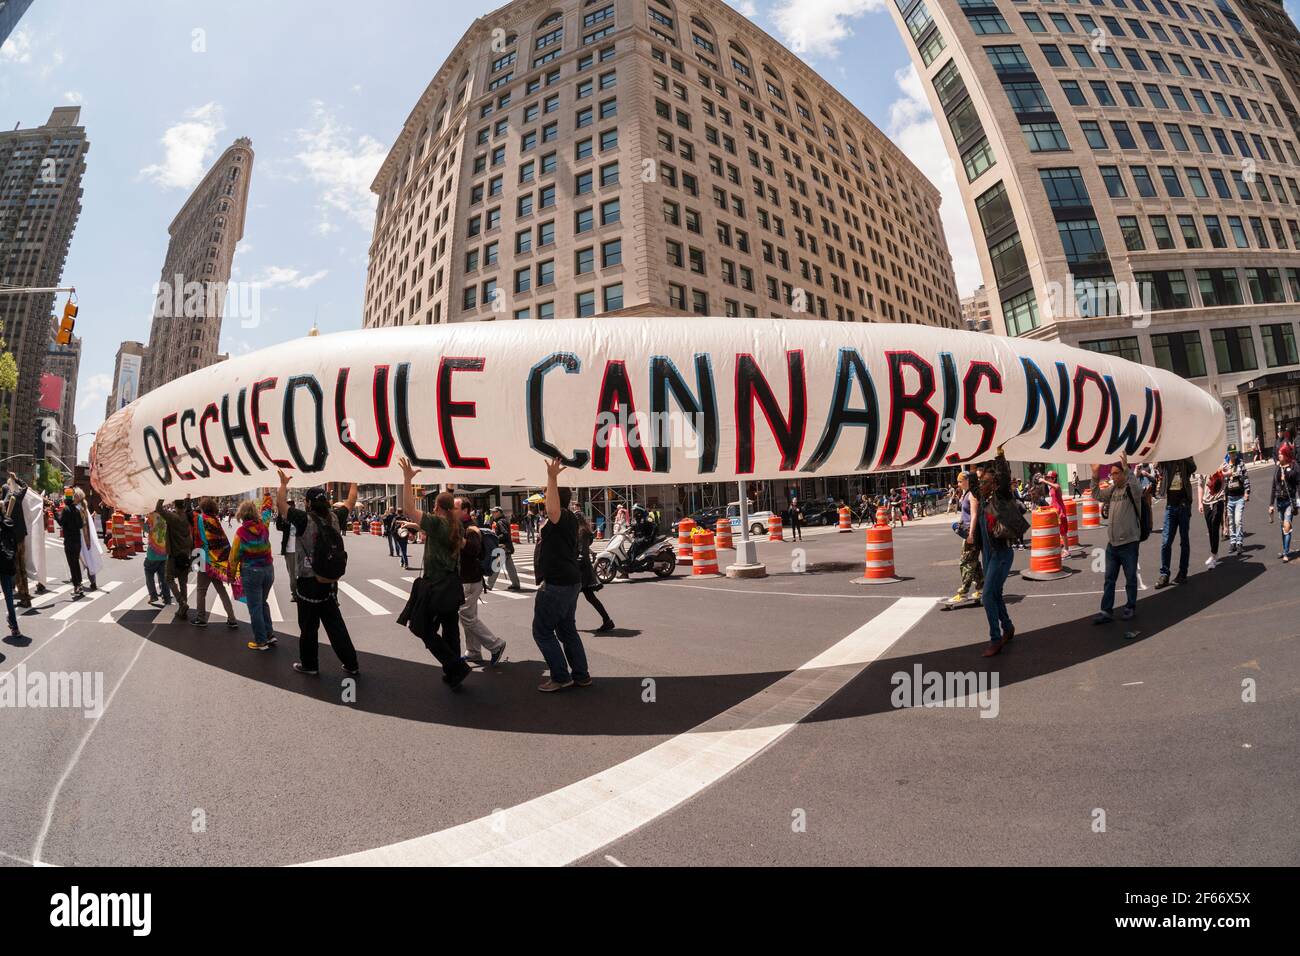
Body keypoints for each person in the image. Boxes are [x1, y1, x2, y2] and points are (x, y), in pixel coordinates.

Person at [394, 458, 470, 689]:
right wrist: (419, 527)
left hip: (436, 586)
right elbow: (452, 540)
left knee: (422, 628)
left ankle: (455, 666)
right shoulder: (455, 525)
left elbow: (408, 508)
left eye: (435, 506)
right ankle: (453, 673)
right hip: (451, 586)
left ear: (438, 507)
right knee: (450, 629)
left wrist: (407, 479)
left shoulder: (438, 523)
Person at [276, 471, 360, 676]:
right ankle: (351, 664)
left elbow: (281, 505)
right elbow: (351, 501)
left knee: (308, 627)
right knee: (335, 624)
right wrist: (354, 480)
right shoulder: (335, 517)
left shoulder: (303, 519)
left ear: (308, 503)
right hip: (330, 581)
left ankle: (310, 665)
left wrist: (283, 484)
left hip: (308, 581)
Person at [533, 457, 590, 692]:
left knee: (542, 631)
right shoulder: (566, 519)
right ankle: (580, 675)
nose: (545, 497)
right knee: (566, 629)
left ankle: (560, 676)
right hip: (569, 580)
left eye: (547, 493)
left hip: (558, 583)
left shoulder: (562, 516)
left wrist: (552, 477)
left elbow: (552, 508)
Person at [971, 448, 1018, 657]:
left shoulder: (1001, 498)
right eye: (981, 482)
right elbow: (973, 485)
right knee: (995, 594)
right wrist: (970, 463)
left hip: (1001, 553)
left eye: (986, 482)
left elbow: (1004, 477)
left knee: (988, 596)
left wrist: (1000, 456)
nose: (981, 485)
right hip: (988, 554)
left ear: (995, 484)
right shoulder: (982, 501)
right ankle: (1007, 627)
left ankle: (995, 639)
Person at [1091, 455, 1145, 624]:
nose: (1113, 477)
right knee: (1109, 580)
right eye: (1112, 474)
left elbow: (1137, 487)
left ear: (1123, 473)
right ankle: (1106, 611)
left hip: (1129, 543)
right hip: (1113, 545)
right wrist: (1094, 474)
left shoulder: (1132, 489)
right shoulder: (1113, 490)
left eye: (1116, 473)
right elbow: (1097, 494)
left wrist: (1127, 468)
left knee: (1130, 578)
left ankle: (1130, 607)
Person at [455, 496, 507, 666]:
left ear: (465, 511)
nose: (451, 510)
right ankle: (473, 651)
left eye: (455, 508)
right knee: (469, 615)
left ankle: (495, 644)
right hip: (466, 579)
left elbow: (474, 549)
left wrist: (458, 539)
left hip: (470, 579)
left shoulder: (471, 528)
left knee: (466, 616)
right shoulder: (461, 526)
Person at [230, 500, 276, 651]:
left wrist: (231, 575)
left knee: (255, 607)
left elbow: (234, 556)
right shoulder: (264, 526)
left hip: (251, 572)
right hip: (268, 570)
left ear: (241, 514)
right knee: (263, 603)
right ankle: (269, 635)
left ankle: (261, 641)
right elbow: (268, 511)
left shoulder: (241, 533)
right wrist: (268, 495)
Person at [192, 497, 237, 629]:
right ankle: (232, 618)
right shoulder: (215, 521)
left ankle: (201, 618)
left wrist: (196, 562)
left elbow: (198, 540)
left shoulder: (200, 519)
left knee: (201, 590)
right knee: (221, 590)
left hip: (204, 560)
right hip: (216, 561)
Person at [1155, 457, 1198, 587]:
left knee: (1184, 540)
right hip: (1170, 506)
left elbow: (1193, 468)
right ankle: (1164, 574)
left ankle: (1182, 573)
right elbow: (1158, 464)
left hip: (1184, 505)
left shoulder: (1185, 459)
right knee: (1166, 541)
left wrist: (1184, 456)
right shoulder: (1166, 460)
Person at [577, 510, 615, 633]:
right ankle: (607, 620)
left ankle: (567, 624)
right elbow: (585, 548)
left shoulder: (581, 531)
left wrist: (576, 562)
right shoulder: (583, 530)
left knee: (572, 597)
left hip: (581, 570)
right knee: (589, 597)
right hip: (584, 568)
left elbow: (582, 551)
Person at [158, 496, 194, 620]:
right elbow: (189, 509)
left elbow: (158, 508)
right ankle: (182, 610)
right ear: (184, 505)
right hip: (185, 555)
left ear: (174, 504)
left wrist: (162, 495)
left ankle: (182, 603)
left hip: (174, 556)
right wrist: (188, 498)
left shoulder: (173, 518)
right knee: (183, 582)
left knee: (169, 579)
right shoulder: (187, 517)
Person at [950, 471, 983, 604]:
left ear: (967, 481)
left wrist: (970, 534)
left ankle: (963, 592)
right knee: (974, 563)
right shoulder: (966, 494)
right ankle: (981, 589)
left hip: (972, 532)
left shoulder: (972, 495)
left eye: (960, 481)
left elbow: (974, 515)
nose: (958, 484)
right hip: (968, 532)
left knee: (965, 562)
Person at [1268, 445, 1300, 561]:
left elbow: (1298, 484)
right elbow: (1273, 486)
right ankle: (1285, 549)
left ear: (1286, 455)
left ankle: (1286, 553)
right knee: (1282, 528)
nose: (1278, 455)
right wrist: (1271, 504)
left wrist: (1287, 473)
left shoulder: (1294, 466)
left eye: (1281, 454)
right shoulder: (1277, 467)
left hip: (1289, 501)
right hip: (1279, 502)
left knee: (1287, 527)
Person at [0, 499, 25, 642]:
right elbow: (14, 544)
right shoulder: (9, 523)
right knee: (9, 596)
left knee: (9, 595)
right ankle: (15, 627)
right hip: (7, 562)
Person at [1197, 463, 1226, 570]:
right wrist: (1200, 503)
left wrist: (1219, 471)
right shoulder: (1202, 466)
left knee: (1214, 526)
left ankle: (1213, 555)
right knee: (1210, 529)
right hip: (1206, 503)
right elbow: (1200, 485)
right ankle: (1214, 553)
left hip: (1218, 500)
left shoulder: (1221, 462)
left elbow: (1229, 473)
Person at [57, 489, 85, 599]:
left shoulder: (65, 510)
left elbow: (61, 522)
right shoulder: (77, 510)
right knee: (76, 563)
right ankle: (80, 584)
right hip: (77, 541)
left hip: (69, 541)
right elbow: (80, 525)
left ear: (65, 499)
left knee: (72, 564)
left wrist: (55, 512)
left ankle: (76, 586)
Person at [1223, 445, 1250, 555]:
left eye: (1234, 453)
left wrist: (1247, 492)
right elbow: (1223, 481)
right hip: (1229, 497)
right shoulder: (1225, 465)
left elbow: (1246, 477)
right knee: (1231, 521)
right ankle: (1233, 542)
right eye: (1231, 453)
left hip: (1239, 497)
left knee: (1238, 520)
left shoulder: (1241, 463)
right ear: (1228, 454)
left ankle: (1239, 543)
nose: (1233, 455)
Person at [143, 504, 172, 606]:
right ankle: (167, 598)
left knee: (148, 571)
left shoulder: (151, 517)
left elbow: (146, 529)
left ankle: (153, 595)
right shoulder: (166, 517)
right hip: (164, 552)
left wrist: (139, 519)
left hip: (153, 553)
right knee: (163, 576)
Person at [488, 505, 521, 590]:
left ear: (499, 512)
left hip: (503, 547)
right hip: (507, 547)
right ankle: (516, 584)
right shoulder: (502, 521)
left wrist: (495, 537)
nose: (492, 513)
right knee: (510, 567)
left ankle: (489, 584)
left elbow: (505, 534)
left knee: (496, 565)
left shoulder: (500, 522)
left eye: (494, 512)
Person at [274, 499, 299, 603]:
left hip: (301, 551)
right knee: (292, 575)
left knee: (301, 574)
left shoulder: (300, 519)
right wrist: (280, 512)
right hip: (289, 551)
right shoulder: (286, 521)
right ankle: (295, 594)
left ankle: (300, 593)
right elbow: (278, 526)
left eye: (291, 506)